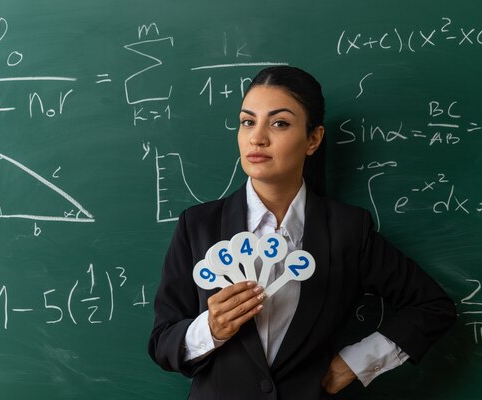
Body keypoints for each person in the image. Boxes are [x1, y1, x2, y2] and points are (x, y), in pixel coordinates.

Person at [148, 66, 457, 399]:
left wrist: (354, 363)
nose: (257, 137)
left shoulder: (348, 230)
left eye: (279, 123)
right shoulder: (198, 225)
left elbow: (432, 306)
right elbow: (162, 343)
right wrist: (210, 329)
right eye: (248, 122)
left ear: (313, 139)